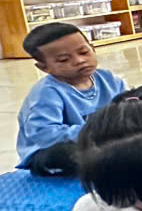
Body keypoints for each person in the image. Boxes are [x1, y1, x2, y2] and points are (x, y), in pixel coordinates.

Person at [17, 23, 127, 177]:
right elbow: (44, 134)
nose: (79, 60)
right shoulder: (46, 93)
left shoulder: (109, 79)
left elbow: (126, 109)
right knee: (69, 154)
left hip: (99, 141)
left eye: (84, 52)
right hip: (51, 149)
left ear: (93, 48)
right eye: (63, 60)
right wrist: (96, 131)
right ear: (44, 67)